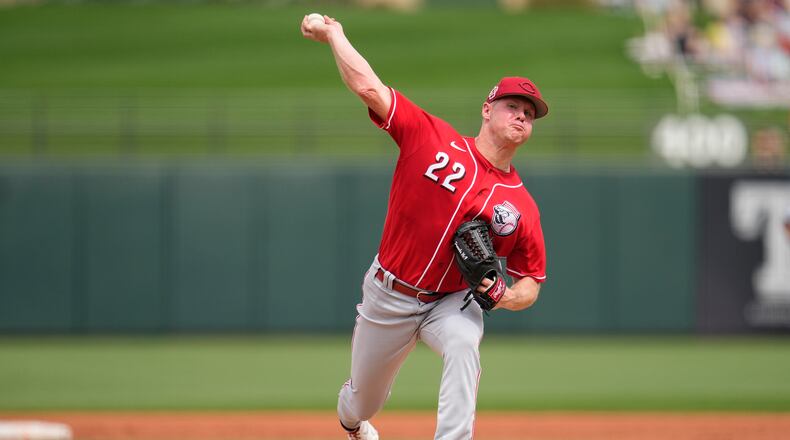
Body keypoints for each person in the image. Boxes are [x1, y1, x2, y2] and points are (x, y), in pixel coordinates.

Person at [301, 14, 548, 440]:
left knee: (463, 343)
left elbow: (532, 281)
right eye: (513, 106)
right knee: (363, 402)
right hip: (389, 294)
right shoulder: (431, 137)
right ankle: (353, 423)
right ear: (487, 110)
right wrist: (335, 34)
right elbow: (369, 87)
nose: (522, 116)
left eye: (530, 113)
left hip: (450, 301)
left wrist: (506, 296)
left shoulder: (521, 204)